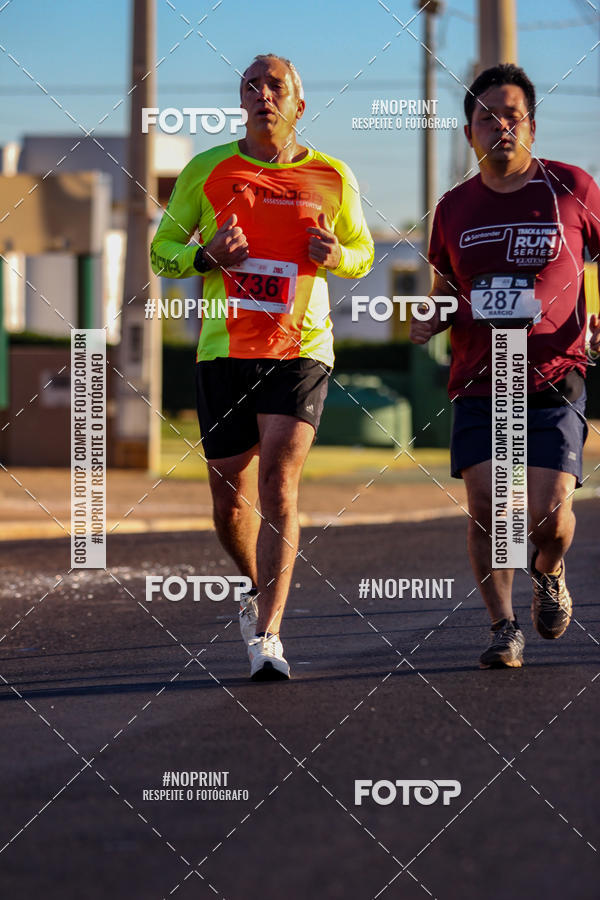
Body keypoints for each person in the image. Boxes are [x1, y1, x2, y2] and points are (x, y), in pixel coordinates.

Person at [150, 53, 374, 680]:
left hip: (299, 349)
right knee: (229, 500)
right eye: (252, 85)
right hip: (224, 350)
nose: (263, 94)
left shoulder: (333, 174)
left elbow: (362, 251)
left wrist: (337, 254)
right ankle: (256, 584)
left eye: (276, 86)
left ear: (299, 106)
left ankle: (269, 636)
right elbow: (161, 253)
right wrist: (204, 255)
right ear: (241, 103)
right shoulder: (207, 170)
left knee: (278, 482)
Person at [410, 63, 600, 668]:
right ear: (469, 133)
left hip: (553, 374)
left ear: (533, 128)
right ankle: (503, 627)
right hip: (479, 376)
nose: (500, 128)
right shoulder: (453, 207)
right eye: (487, 119)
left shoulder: (570, 188)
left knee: (546, 517)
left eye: (512, 117)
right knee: (491, 505)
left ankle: (549, 570)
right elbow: (444, 285)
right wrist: (431, 315)